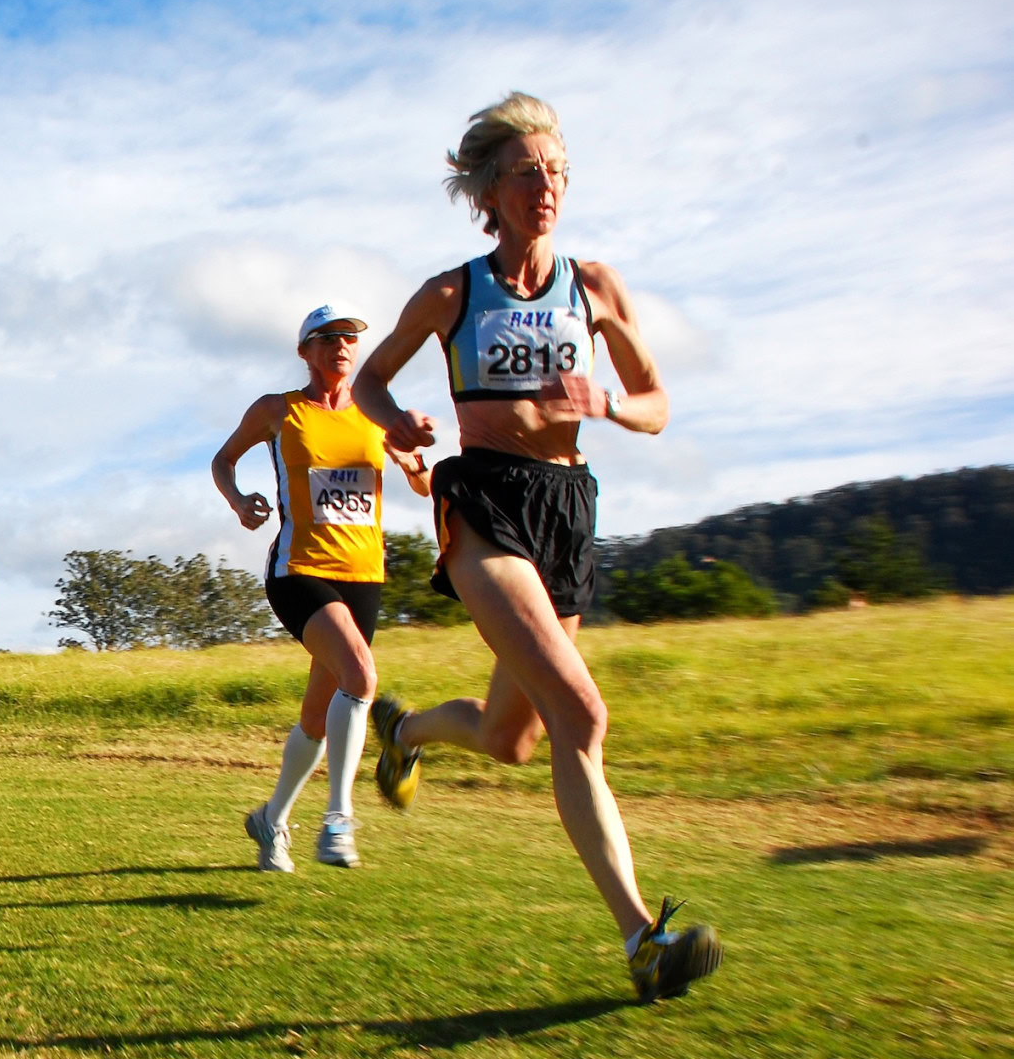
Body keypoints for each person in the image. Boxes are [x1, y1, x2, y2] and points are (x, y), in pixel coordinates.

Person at [351, 92, 721, 1001]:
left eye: (555, 171)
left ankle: (402, 729)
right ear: (487, 188)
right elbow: (369, 379)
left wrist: (605, 405)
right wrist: (398, 425)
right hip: (482, 503)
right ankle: (642, 938)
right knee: (582, 718)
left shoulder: (594, 287)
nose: (544, 186)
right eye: (525, 172)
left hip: (565, 507)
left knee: (512, 738)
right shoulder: (452, 292)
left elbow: (657, 403)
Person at [212, 305, 431, 871]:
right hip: (299, 571)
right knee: (360, 677)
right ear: (305, 351)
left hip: (364, 577)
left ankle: (271, 818)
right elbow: (223, 460)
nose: (341, 346)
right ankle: (338, 821)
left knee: (319, 715)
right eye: (327, 338)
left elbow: (422, 479)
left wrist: (417, 455)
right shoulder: (277, 411)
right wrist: (239, 503)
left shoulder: (374, 413)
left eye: (350, 339)